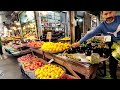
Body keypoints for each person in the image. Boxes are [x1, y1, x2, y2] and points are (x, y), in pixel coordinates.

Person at [72, 11, 120, 79]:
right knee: (112, 63)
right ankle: (113, 77)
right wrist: (79, 42)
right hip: (112, 45)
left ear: (114, 12)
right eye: (106, 14)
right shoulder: (102, 26)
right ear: (102, 15)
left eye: (110, 12)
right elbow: (90, 34)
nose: (108, 15)